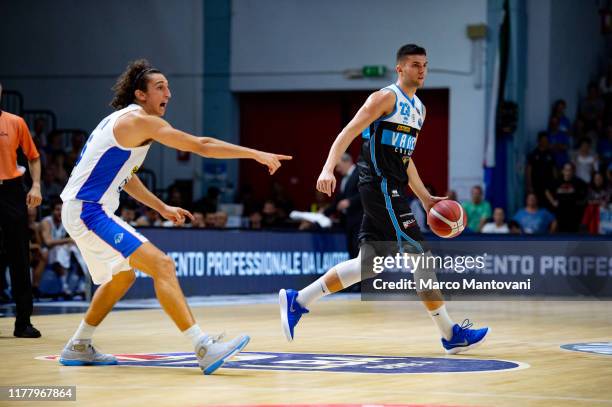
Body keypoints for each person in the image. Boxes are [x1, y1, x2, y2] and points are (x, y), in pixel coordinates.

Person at [57, 60, 291, 374]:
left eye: (168, 86)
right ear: (140, 95)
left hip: (85, 208)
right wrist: (255, 153)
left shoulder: (128, 121)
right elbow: (202, 146)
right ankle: (203, 347)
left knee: (122, 277)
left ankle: (78, 346)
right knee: (162, 265)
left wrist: (162, 208)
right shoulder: (142, 122)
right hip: (88, 210)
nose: (169, 92)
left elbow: (127, 178)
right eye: (160, 87)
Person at [279, 44, 488, 354]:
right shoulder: (384, 98)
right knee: (420, 255)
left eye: (425, 65)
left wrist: (426, 198)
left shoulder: (420, 109)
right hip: (378, 186)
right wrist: (327, 169)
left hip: (393, 187)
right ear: (400, 69)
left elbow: (406, 159)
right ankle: (450, 333)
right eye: (416, 64)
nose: (422, 70)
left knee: (369, 264)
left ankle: (298, 300)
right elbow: (347, 133)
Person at [0, 82, 43, 338]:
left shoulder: (15, 122)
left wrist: (36, 185)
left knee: (19, 255)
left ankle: (23, 322)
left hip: (12, 191)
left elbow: (33, 156)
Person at [323, 153, 363, 258]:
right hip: (348, 221)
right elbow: (338, 201)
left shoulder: (361, 172)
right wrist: (324, 212)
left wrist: (350, 202)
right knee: (351, 251)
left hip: (360, 221)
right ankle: (355, 274)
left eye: (338, 165)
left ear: (347, 162)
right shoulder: (343, 179)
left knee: (357, 251)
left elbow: (367, 192)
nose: (337, 169)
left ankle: (362, 274)